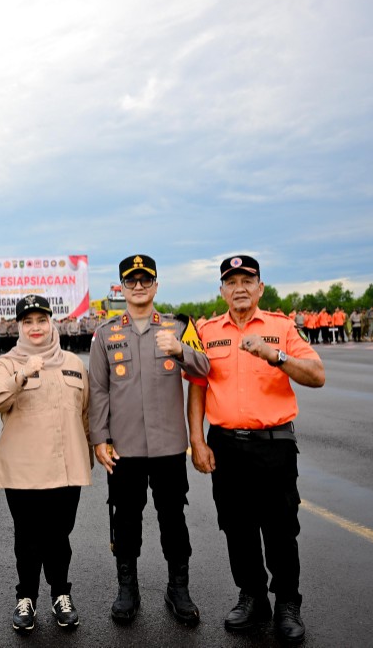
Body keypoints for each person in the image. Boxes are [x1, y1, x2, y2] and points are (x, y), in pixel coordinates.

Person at [186, 255, 325, 644]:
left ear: (261, 287)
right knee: (236, 526)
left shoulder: (281, 328)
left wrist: (274, 355)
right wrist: (196, 440)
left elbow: (317, 375)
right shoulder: (206, 330)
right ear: (222, 290)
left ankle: (286, 602)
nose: (240, 287)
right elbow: (197, 385)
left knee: (281, 528)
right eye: (231, 281)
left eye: (247, 279)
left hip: (274, 445)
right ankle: (252, 596)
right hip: (225, 446)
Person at [88, 254, 210, 626]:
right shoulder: (105, 334)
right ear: (122, 287)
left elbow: (205, 368)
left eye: (145, 280)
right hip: (124, 448)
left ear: (157, 285)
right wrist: (100, 439)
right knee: (125, 520)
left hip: (169, 447)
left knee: (173, 519)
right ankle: (128, 588)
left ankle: (179, 588)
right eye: (131, 281)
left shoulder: (179, 326)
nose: (138, 287)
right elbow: (99, 390)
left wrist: (181, 351)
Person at [0, 295, 93, 633]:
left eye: (41, 320)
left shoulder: (74, 362)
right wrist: (22, 375)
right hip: (23, 469)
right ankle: (26, 598)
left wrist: (88, 454)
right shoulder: (5, 363)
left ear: (52, 322)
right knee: (28, 538)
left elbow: (85, 413)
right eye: (28, 322)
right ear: (18, 326)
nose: (35, 327)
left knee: (60, 537)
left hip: (66, 466)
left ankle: (61, 595)